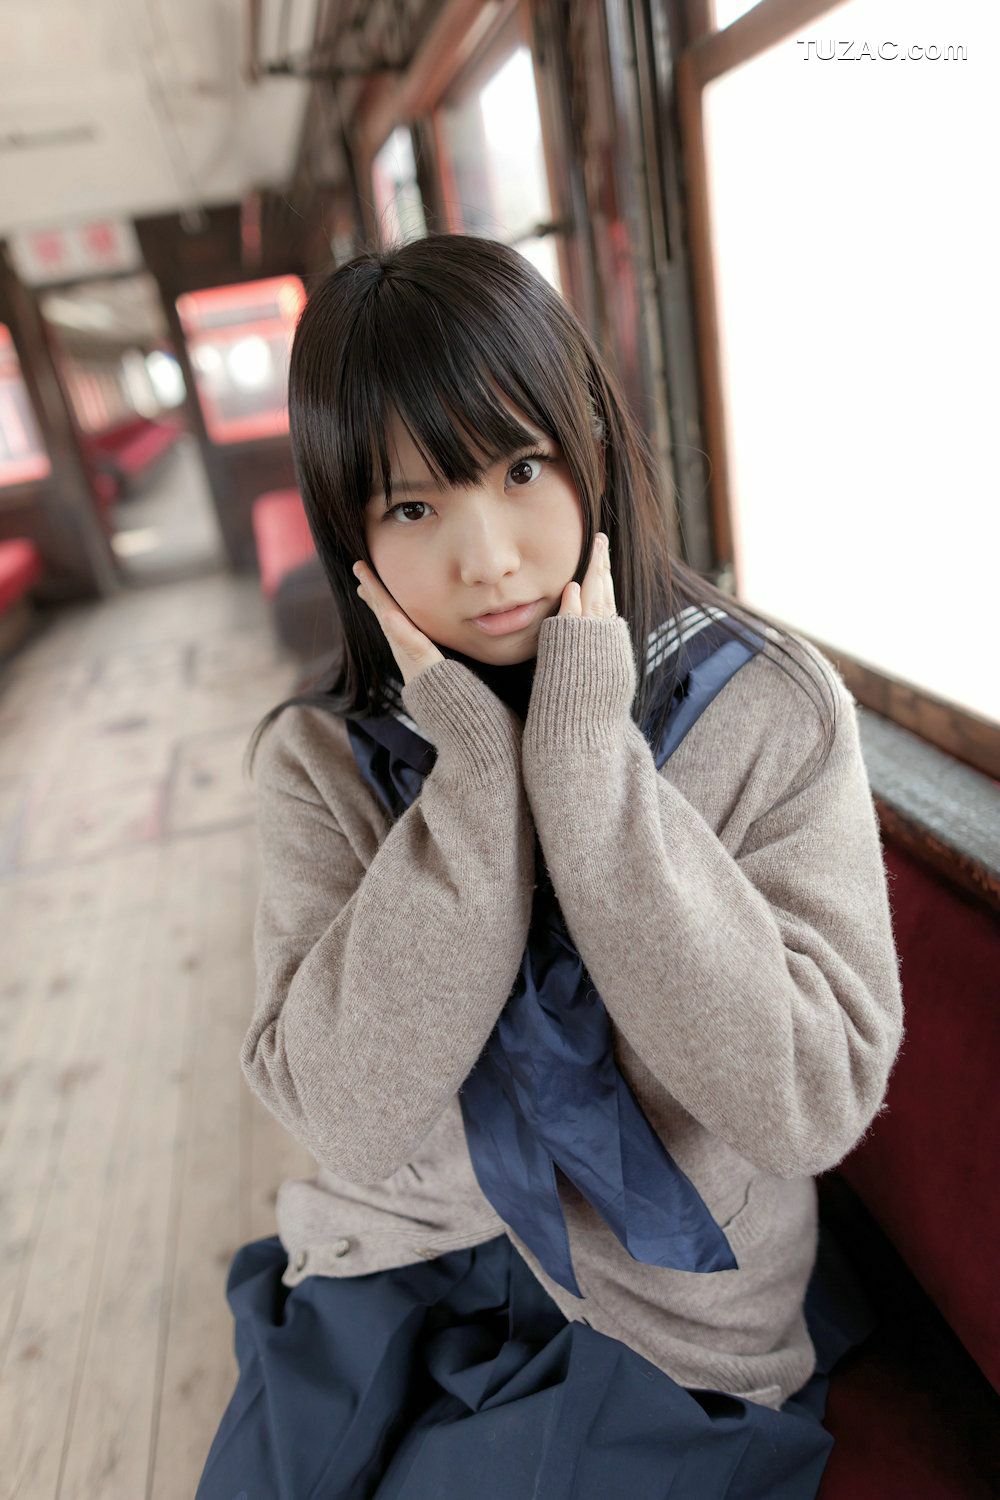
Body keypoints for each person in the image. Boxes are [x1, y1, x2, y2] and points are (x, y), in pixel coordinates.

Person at [194, 234, 904, 1498]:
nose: (489, 558)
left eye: (521, 469)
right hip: (399, 1265)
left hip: (669, 1318)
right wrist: (474, 790)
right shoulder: (321, 757)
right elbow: (351, 1119)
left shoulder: (765, 710)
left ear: (592, 451)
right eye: (413, 507)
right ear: (351, 536)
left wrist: (584, 769)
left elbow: (809, 1101)